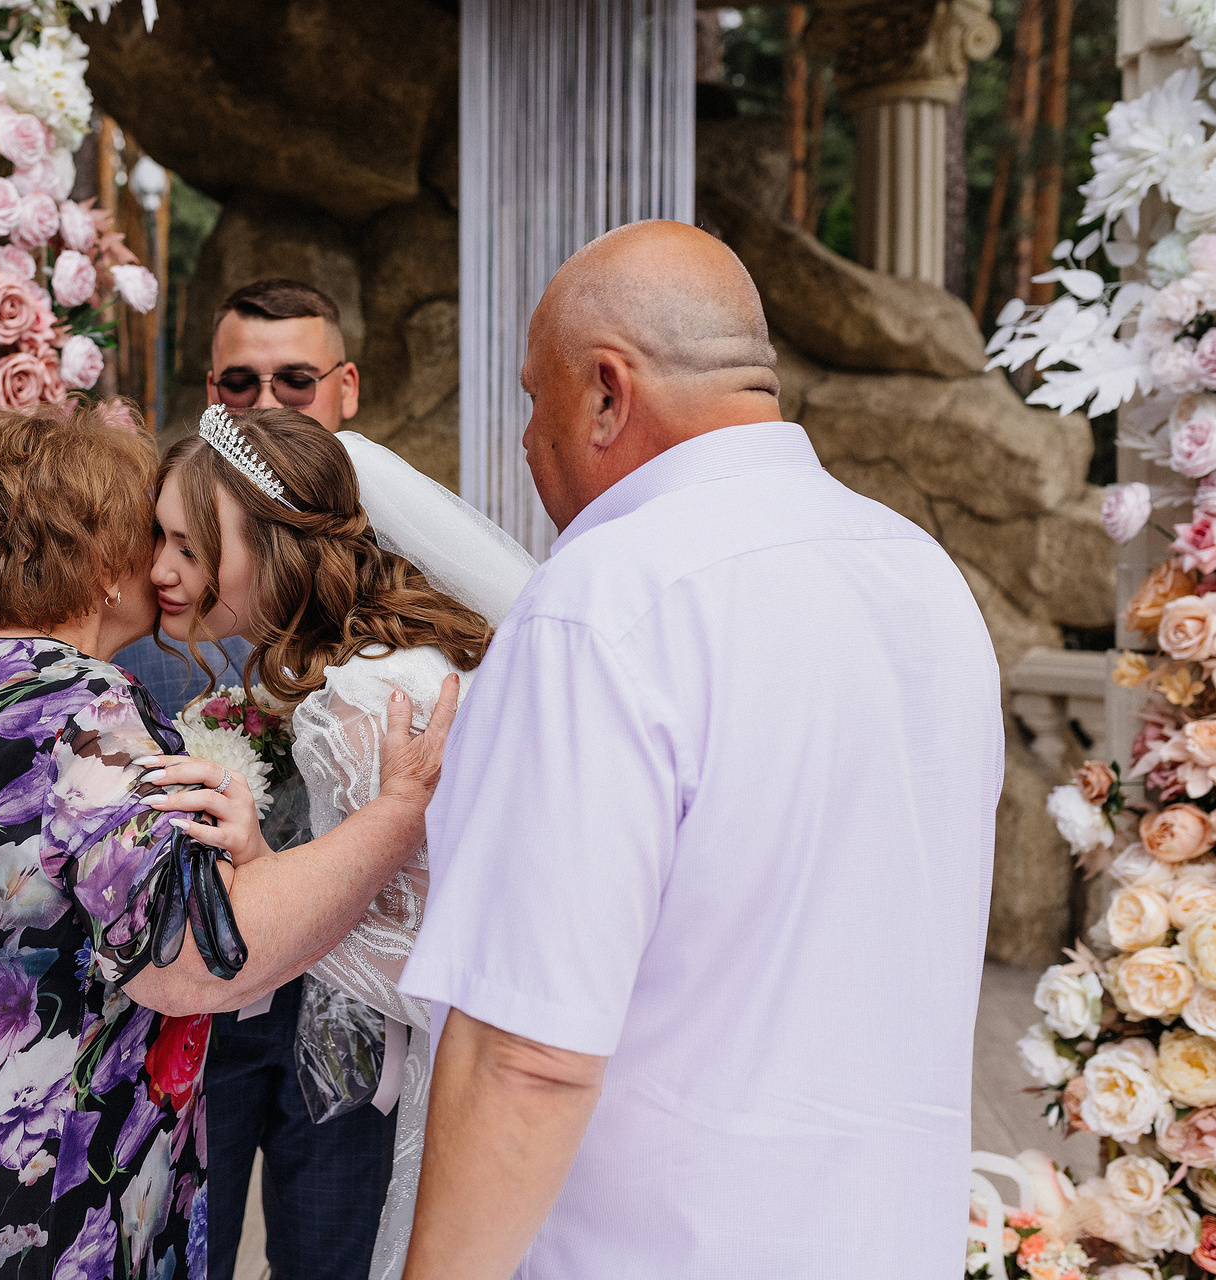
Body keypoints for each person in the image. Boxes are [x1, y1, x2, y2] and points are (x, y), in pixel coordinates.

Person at [396, 221, 1003, 1279]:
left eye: (534, 400)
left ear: (606, 392)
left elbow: (526, 1052)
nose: (528, 440)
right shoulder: (922, 574)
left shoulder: (600, 604)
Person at [0, 402, 454, 1280]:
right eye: (151, 537)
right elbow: (191, 963)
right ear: (104, 569)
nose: (163, 564)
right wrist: (398, 811)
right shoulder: (79, 712)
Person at [147, 405, 533, 1280]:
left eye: (191, 547)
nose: (161, 569)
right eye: (161, 539)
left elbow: (428, 962)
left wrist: (264, 880)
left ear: (272, 546)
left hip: (471, 1067)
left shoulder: (356, 704)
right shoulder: (406, 659)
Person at [117, 278, 360, 718]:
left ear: (347, 387)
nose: (266, 404)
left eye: (296, 381)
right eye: (240, 383)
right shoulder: (145, 546)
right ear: (213, 392)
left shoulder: (402, 550)